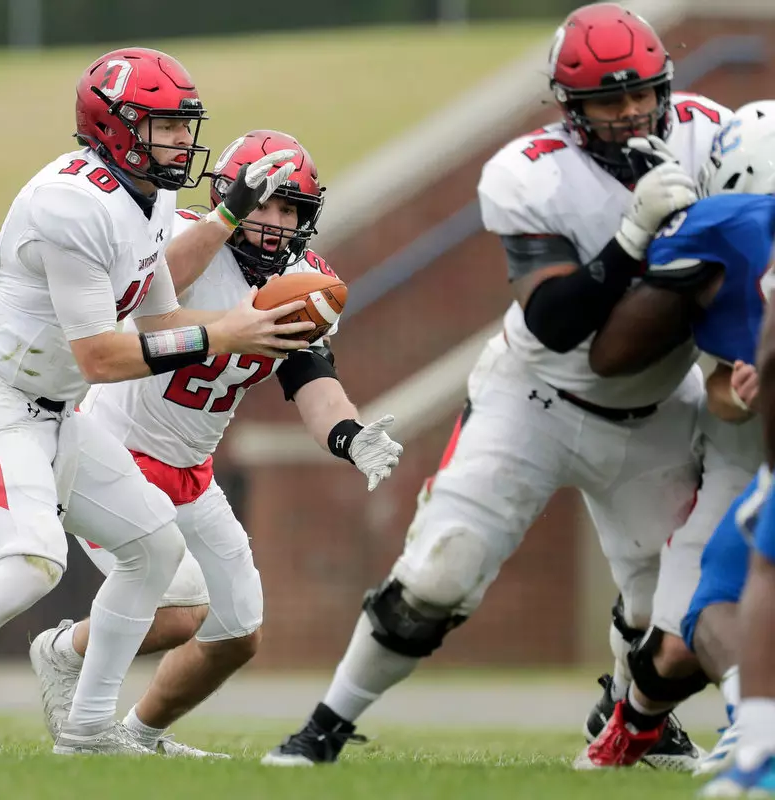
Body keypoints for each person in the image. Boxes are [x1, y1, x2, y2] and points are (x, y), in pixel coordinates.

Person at [262, 3, 726, 768]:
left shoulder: (711, 131)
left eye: (645, 91)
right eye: (610, 99)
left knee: (665, 605)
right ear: (570, 109)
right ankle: (325, 726)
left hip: (657, 406)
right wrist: (633, 238)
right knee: (436, 577)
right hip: (535, 398)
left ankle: (634, 723)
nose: (634, 110)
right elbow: (552, 319)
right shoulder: (529, 172)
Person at [0, 47, 313, 756]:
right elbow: (103, 356)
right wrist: (222, 332)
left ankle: (89, 731)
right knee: (30, 565)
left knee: (156, 554)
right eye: (166, 127)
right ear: (115, 126)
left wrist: (244, 331)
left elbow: (156, 321)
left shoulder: (146, 199)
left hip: (56, 413)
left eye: (187, 126)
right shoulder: (73, 203)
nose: (183, 142)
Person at [28, 130, 403, 756]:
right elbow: (148, 293)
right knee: (180, 609)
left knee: (237, 634)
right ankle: (65, 653)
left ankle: (141, 738)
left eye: (290, 209)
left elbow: (312, 380)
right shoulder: (182, 235)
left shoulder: (305, 281)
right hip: (113, 451)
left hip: (191, 471)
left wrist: (350, 436)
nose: (275, 221)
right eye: (264, 202)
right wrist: (227, 220)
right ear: (231, 197)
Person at [587, 100, 775, 773]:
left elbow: (605, 356)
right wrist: (748, 385)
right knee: (691, 625)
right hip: (751, 461)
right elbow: (726, 392)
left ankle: (753, 736)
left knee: (720, 600)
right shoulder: (747, 250)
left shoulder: (731, 222)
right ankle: (649, 729)